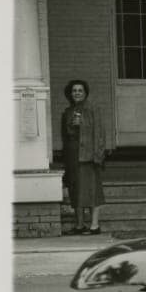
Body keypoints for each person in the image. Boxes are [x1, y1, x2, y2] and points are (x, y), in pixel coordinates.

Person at [60, 79, 108, 235]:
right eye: (74, 91)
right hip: (73, 158)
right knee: (76, 191)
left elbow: (100, 134)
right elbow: (67, 136)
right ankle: (79, 225)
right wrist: (74, 126)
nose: (77, 93)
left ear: (85, 92)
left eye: (80, 90)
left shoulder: (93, 109)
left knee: (92, 191)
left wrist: (98, 156)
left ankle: (94, 225)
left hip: (89, 157)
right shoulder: (68, 112)